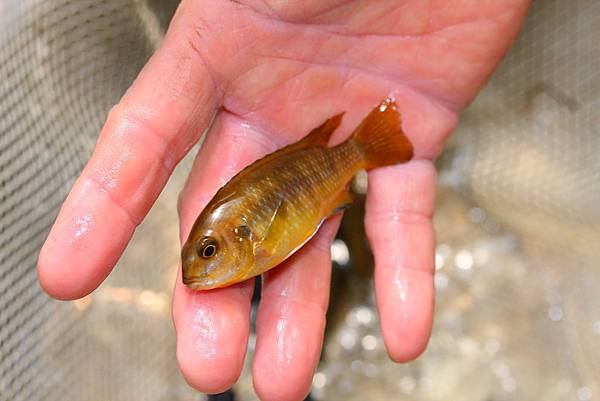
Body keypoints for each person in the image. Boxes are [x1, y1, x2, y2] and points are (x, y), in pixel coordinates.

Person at [37, 1, 531, 400]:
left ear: (236, 239)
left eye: (209, 251)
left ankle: (366, 147)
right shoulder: (249, 241)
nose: (201, 266)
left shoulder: (254, 237)